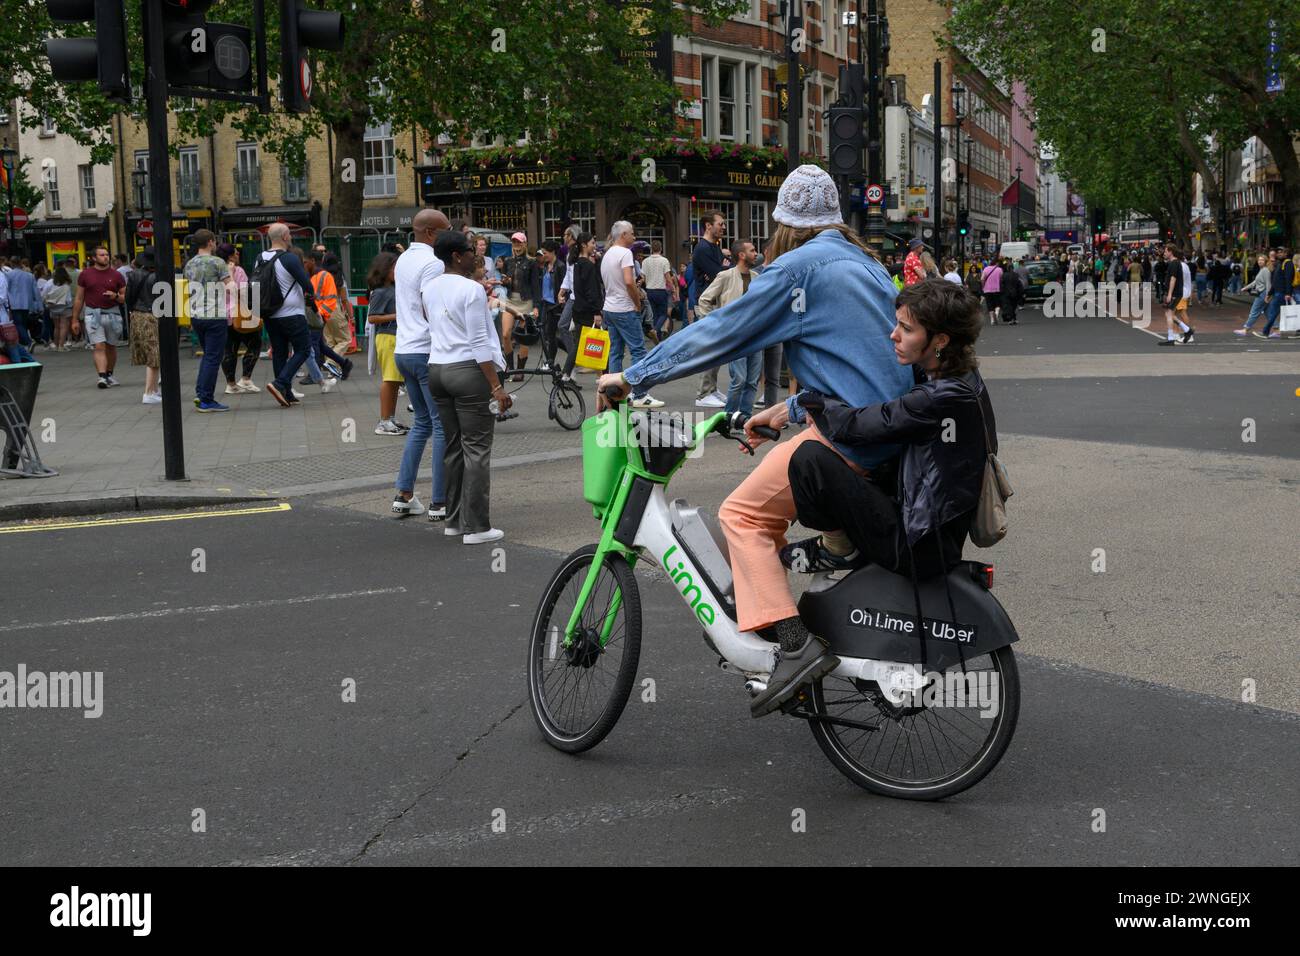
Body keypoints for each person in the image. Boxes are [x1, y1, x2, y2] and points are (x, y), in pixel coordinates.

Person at [595, 164, 914, 715]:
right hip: (885, 432)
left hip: (848, 442)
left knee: (742, 516)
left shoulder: (798, 269)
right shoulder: (868, 265)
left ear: (785, 223)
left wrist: (633, 376)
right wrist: (785, 409)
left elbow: (719, 332)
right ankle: (832, 551)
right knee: (774, 510)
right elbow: (862, 366)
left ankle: (793, 647)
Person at [783, 278, 995, 597]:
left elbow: (855, 426)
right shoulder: (963, 379)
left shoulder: (940, 397)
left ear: (940, 340)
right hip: (936, 536)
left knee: (808, 459)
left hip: (914, 547)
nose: (893, 335)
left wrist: (809, 400)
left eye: (907, 330)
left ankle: (838, 548)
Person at [427, 229, 509, 544]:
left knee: (452, 446)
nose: (476, 254)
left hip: (437, 369)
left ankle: (453, 521)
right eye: (470, 250)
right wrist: (496, 387)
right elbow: (478, 343)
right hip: (469, 372)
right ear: (457, 256)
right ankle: (478, 526)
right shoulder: (472, 290)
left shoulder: (429, 288)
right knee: (477, 449)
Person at [392, 208, 450, 520]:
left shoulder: (404, 259)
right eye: (446, 230)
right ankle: (439, 502)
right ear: (430, 233)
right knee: (440, 424)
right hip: (426, 350)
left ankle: (404, 493)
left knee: (422, 423)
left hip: (404, 349)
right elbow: (433, 308)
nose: (450, 235)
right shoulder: (434, 263)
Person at [600, 220, 664, 408]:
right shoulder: (625, 253)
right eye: (632, 233)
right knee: (638, 351)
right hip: (625, 309)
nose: (634, 237)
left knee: (616, 352)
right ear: (623, 235)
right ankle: (640, 393)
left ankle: (614, 393)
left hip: (609, 308)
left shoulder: (607, 254)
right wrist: (637, 303)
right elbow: (629, 281)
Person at [696, 239, 761, 416]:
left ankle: (745, 418)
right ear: (741, 255)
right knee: (739, 379)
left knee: (752, 381)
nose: (756, 254)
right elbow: (704, 300)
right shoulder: (725, 276)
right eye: (752, 250)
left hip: (756, 335)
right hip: (735, 335)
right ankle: (729, 417)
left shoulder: (757, 277)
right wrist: (717, 324)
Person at [258, 223, 317, 407]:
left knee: (279, 352)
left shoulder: (260, 257)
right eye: (289, 235)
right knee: (303, 349)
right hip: (291, 313)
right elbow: (307, 285)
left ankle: (286, 393)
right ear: (284, 236)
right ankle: (280, 383)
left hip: (270, 313)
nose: (291, 237)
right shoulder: (289, 258)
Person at [182, 229, 234, 411]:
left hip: (197, 315)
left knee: (207, 356)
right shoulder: (218, 262)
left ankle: (201, 393)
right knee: (213, 357)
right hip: (214, 315)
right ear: (211, 242)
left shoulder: (189, 264)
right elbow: (231, 288)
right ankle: (206, 399)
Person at [71, 245, 126, 388]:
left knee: (111, 346)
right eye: (102, 255)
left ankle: (109, 374)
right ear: (94, 258)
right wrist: (75, 319)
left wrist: (115, 296)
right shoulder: (85, 274)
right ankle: (102, 377)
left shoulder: (117, 275)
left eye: (107, 254)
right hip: (92, 314)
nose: (105, 257)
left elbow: (124, 297)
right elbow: (79, 298)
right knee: (99, 345)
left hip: (113, 313)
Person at [363, 252, 406, 436]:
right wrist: (398, 316)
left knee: (395, 381)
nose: (397, 271)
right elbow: (372, 318)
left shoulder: (392, 288)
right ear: (385, 269)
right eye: (394, 267)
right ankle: (384, 421)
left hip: (393, 336)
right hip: (388, 337)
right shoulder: (380, 292)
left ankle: (390, 418)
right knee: (390, 380)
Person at [692, 210, 728, 407]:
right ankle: (703, 394)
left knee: (717, 348)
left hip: (715, 301)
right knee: (710, 347)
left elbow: (720, 272)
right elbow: (718, 274)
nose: (723, 227)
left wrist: (721, 269)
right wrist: (721, 269)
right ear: (708, 226)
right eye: (720, 224)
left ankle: (711, 389)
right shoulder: (702, 249)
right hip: (706, 304)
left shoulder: (714, 247)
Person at [217, 244, 260, 395]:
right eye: (235, 253)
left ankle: (231, 384)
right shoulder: (238, 270)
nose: (238, 255)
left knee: (229, 349)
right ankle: (246, 378)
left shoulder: (215, 269)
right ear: (230, 256)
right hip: (239, 314)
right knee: (255, 344)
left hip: (222, 315)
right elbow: (242, 292)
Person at [561, 232, 602, 383]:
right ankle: (603, 375)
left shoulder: (577, 263)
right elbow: (593, 290)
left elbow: (579, 288)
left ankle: (566, 373)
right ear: (584, 245)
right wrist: (597, 311)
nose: (594, 245)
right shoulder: (587, 265)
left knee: (579, 344)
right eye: (592, 243)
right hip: (588, 311)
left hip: (578, 308)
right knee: (600, 344)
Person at [499, 231, 540, 379]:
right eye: (514, 243)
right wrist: (505, 282)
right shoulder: (508, 261)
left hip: (526, 302)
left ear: (524, 244)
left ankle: (520, 371)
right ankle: (510, 368)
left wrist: (536, 306)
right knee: (505, 334)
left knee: (523, 338)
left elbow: (536, 286)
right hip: (510, 300)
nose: (516, 245)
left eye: (519, 243)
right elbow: (506, 282)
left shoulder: (532, 262)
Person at [125, 247, 163, 404]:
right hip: (153, 315)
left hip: (138, 314)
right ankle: (149, 391)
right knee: (154, 355)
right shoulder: (159, 276)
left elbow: (128, 298)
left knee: (152, 355)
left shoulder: (134, 275)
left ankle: (153, 390)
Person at [537, 239, 568, 372]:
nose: (543, 256)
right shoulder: (545, 266)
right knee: (547, 334)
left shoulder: (560, 266)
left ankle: (550, 362)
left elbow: (564, 286)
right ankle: (553, 359)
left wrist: (561, 301)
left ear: (553, 252)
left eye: (546, 253)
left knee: (550, 333)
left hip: (555, 305)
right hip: (545, 303)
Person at [1157, 246, 1195, 346]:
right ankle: (1182, 332)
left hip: (1177, 293)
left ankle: (1178, 335)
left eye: (1165, 251)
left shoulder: (1175, 264)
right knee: (1171, 314)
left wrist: (1169, 294)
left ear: (1171, 252)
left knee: (1177, 313)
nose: (1163, 253)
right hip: (1180, 292)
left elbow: (1173, 279)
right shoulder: (1180, 264)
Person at [642, 239, 674, 340]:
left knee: (655, 315)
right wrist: (673, 289)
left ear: (651, 249)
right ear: (661, 249)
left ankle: (658, 337)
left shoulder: (645, 261)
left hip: (650, 290)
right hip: (660, 290)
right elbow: (668, 277)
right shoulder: (664, 261)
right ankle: (655, 330)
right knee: (664, 314)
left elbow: (644, 277)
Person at [43, 265, 74, 350]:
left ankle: (56, 345)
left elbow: (44, 294)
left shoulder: (50, 282)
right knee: (64, 326)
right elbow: (68, 299)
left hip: (53, 307)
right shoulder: (66, 284)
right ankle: (61, 345)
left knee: (56, 327)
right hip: (64, 307)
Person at [1000, 257, 1024, 326]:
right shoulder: (1016, 275)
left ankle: (1011, 319)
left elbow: (1001, 285)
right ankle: (1014, 319)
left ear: (1007, 268)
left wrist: (1002, 292)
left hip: (1006, 293)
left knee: (1009, 306)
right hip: (1015, 293)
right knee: (1014, 306)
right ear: (1013, 268)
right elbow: (1019, 284)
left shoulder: (1004, 275)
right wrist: (1021, 292)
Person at [980, 256, 1003, 323]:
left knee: (990, 304)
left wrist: (983, 286)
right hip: (997, 289)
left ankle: (992, 320)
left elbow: (982, 279)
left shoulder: (986, 269)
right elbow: (1001, 279)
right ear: (996, 263)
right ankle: (996, 313)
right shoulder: (999, 269)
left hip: (987, 290)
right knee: (997, 303)